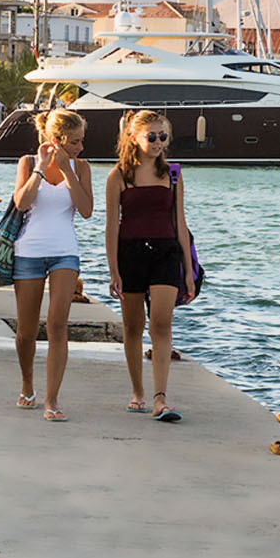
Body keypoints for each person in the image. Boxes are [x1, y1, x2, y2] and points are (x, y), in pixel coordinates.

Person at [105, 109, 197, 423]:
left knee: (161, 323)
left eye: (163, 136)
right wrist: (113, 270)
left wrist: (188, 271)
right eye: (152, 136)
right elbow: (111, 227)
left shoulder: (173, 174)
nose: (158, 142)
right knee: (133, 327)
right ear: (134, 138)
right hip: (130, 253)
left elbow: (180, 223)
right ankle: (137, 392)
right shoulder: (119, 175)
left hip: (166, 253)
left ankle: (161, 398)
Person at [9, 109, 93, 421]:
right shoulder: (28, 162)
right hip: (28, 252)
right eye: (75, 142)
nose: (80, 147)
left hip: (64, 252)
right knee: (26, 331)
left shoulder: (81, 166)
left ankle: (52, 400)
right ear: (56, 139)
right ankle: (27, 384)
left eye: (81, 141)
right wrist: (41, 168)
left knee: (58, 324)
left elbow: (86, 210)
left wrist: (68, 169)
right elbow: (22, 203)